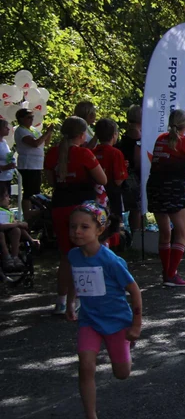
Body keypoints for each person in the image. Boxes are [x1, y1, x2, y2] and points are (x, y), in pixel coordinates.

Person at [64, 202, 143, 419]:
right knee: (85, 366)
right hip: (89, 321)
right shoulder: (73, 255)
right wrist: (70, 302)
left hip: (118, 322)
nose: (77, 231)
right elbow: (74, 280)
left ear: (99, 230)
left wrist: (136, 325)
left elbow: (135, 291)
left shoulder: (111, 261)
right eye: (73, 226)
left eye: (84, 227)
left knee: (122, 374)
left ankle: (126, 348)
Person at [45, 116, 107, 313]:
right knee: (85, 253)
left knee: (65, 256)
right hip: (82, 209)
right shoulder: (84, 154)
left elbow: (51, 181)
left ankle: (61, 301)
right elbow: (102, 179)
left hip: (59, 206)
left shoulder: (52, 153)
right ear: (82, 135)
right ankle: (79, 298)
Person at [146, 110, 185, 286]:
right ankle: (172, 274)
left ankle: (167, 272)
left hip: (155, 186)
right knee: (181, 232)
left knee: (165, 232)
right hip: (173, 187)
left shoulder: (161, 139)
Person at [92, 119, 127, 250]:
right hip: (112, 194)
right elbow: (119, 179)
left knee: (98, 221)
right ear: (114, 135)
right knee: (113, 222)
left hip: (96, 194)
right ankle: (113, 245)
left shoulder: (93, 151)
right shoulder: (115, 153)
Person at [14, 107, 52, 217]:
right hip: (28, 165)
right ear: (21, 119)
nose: (31, 120)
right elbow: (34, 143)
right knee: (29, 191)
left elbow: (45, 143)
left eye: (32, 117)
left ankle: (34, 213)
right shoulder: (20, 130)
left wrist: (49, 133)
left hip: (37, 164)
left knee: (36, 191)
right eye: (28, 117)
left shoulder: (33, 130)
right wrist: (46, 133)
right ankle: (27, 214)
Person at [117, 106, 142, 234]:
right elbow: (137, 159)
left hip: (125, 172)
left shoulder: (126, 132)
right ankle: (136, 235)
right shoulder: (136, 134)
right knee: (136, 208)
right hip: (133, 174)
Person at [0, 187, 35, 271]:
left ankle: (15, 257)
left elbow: (18, 224)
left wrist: (31, 239)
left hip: (9, 234)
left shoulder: (8, 212)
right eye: (6, 196)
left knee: (17, 230)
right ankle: (7, 257)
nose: (9, 198)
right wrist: (15, 224)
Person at [0, 118, 13, 199]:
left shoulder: (4, 142)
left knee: (7, 199)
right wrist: (4, 167)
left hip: (7, 177)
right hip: (0, 179)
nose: (8, 129)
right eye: (5, 127)